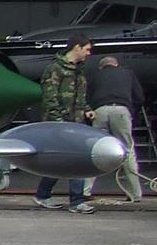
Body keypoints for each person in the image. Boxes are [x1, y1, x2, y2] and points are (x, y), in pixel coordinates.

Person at [34, 34, 95, 213]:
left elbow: (80, 98)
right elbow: (49, 98)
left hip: (76, 124)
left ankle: (43, 194)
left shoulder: (79, 72)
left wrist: (87, 110)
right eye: (87, 49)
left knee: (59, 162)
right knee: (76, 160)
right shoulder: (55, 70)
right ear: (77, 47)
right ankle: (76, 201)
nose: (89, 53)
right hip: (59, 125)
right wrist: (59, 122)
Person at [88, 55, 146, 203]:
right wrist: (132, 112)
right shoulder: (128, 73)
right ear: (116, 64)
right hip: (121, 110)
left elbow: (87, 96)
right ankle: (135, 193)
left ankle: (85, 191)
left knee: (95, 150)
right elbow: (139, 97)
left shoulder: (96, 75)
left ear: (102, 67)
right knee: (127, 150)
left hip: (100, 111)